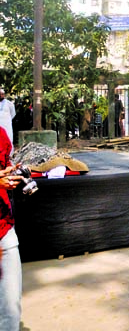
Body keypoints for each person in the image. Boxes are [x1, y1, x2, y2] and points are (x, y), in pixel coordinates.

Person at [0, 126, 23, 331]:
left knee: (10, 307)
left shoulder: (1, 135)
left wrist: (13, 173)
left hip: (4, 229)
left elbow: (5, 166)